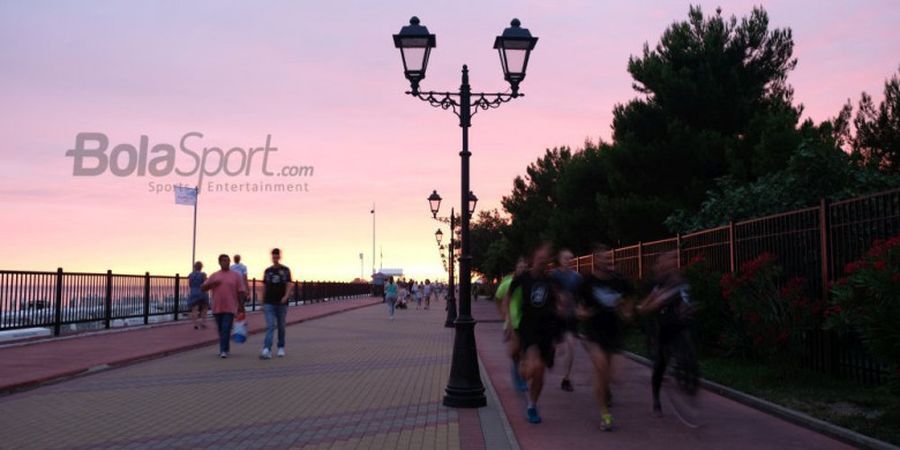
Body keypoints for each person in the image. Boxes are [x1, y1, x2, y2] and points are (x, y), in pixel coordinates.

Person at [577, 245, 634, 431]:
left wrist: (627, 310)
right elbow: (578, 307)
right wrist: (582, 313)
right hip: (594, 333)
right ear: (596, 260)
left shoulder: (619, 280)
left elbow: (630, 297)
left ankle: (605, 389)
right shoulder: (587, 282)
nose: (608, 262)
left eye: (610, 259)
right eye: (604, 259)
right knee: (601, 368)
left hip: (614, 332)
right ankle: (605, 414)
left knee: (615, 376)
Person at [637, 250, 698, 418]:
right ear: (661, 263)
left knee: (687, 345)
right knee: (661, 363)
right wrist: (651, 305)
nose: (673, 263)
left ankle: (686, 373)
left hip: (681, 325)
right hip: (664, 326)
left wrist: (690, 307)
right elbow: (646, 306)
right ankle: (656, 398)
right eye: (669, 259)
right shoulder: (658, 283)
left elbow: (688, 298)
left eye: (675, 259)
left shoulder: (681, 280)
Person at [506, 243, 562, 424]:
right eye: (540, 258)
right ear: (533, 259)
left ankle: (532, 405)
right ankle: (522, 366)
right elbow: (508, 296)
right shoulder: (523, 278)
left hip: (547, 332)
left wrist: (557, 333)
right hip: (528, 329)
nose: (543, 261)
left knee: (540, 374)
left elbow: (557, 305)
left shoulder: (550, 281)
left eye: (546, 259)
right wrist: (509, 321)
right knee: (535, 367)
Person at [202, 254, 247, 358]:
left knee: (226, 328)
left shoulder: (236, 276)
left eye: (228, 261)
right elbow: (203, 288)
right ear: (219, 262)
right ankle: (225, 348)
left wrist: (241, 305)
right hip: (217, 307)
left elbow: (241, 291)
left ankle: (223, 350)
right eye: (224, 261)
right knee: (220, 329)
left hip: (230, 307)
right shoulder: (214, 275)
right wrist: (213, 285)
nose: (226, 262)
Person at [551, 249, 583, 392]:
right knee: (558, 348)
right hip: (556, 318)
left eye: (570, 259)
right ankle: (550, 353)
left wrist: (580, 308)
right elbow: (549, 293)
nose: (568, 261)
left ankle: (566, 378)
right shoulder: (554, 276)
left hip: (571, 317)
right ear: (559, 259)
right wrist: (557, 301)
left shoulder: (576, 277)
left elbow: (581, 296)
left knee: (570, 345)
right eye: (565, 258)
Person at [497, 257, 528, 392]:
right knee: (517, 352)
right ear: (516, 268)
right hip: (512, 322)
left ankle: (519, 376)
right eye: (520, 267)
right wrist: (503, 315)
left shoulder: (528, 283)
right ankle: (518, 377)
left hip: (526, 322)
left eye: (525, 267)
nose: (522, 269)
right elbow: (498, 298)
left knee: (523, 351)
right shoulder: (508, 282)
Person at [260, 248, 293, 360]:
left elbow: (289, 284)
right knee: (270, 326)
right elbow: (264, 286)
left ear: (279, 257)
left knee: (281, 326)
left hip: (281, 303)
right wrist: (262, 301)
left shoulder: (285, 270)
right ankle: (267, 349)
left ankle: (281, 346)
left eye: (276, 256)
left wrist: (286, 296)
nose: (274, 258)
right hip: (269, 302)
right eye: (273, 257)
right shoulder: (267, 271)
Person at [188, 261, 210, 330]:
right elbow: (205, 283)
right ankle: (203, 322)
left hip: (194, 292)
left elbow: (190, 284)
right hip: (202, 292)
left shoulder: (191, 275)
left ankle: (195, 324)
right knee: (205, 307)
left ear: (194, 267)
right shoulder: (203, 274)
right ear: (201, 267)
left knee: (194, 309)